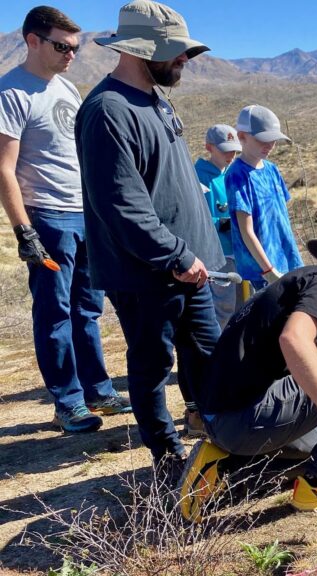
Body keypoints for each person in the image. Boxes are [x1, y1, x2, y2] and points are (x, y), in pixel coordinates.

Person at [76, 0, 224, 467]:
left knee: (206, 355)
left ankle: (215, 435)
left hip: (189, 266)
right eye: (176, 51)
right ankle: (167, 457)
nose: (185, 59)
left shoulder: (156, 99)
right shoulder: (107, 111)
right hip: (148, 273)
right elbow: (121, 207)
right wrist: (177, 256)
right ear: (141, 50)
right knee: (151, 366)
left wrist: (193, 257)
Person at [180, 228, 317, 521]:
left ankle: (222, 462)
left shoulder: (297, 280)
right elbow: (293, 340)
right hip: (244, 418)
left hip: (220, 420)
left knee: (315, 442)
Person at [0, 6, 130, 433]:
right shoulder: (12, 93)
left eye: (75, 47)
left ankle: (98, 390)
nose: (70, 54)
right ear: (32, 40)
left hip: (84, 213)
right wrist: (24, 230)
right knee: (54, 312)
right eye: (61, 46)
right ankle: (68, 402)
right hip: (47, 216)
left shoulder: (68, 89)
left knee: (88, 309)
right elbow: (4, 167)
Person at [226, 105, 303, 291]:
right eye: (263, 140)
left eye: (273, 140)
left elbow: (281, 218)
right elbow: (247, 231)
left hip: (287, 259)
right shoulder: (237, 175)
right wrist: (268, 270)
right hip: (261, 270)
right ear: (242, 136)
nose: (270, 145)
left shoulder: (272, 169)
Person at [195, 124, 242, 329]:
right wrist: (221, 224)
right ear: (209, 147)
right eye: (225, 150)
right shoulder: (197, 176)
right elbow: (194, 218)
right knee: (222, 308)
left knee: (241, 306)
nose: (230, 155)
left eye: (233, 149)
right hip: (217, 255)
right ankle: (218, 352)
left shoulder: (233, 174)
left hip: (238, 251)